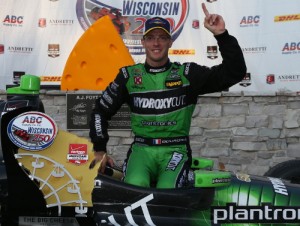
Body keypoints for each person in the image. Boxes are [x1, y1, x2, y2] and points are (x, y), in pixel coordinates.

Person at [89, 3, 247, 188]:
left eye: (162, 38)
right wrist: (100, 150)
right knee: (135, 186)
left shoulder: (187, 74)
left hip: (176, 150)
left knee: (168, 190)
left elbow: (234, 72)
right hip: (142, 150)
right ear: (143, 42)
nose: (156, 43)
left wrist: (221, 35)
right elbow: (100, 111)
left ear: (170, 42)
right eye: (151, 38)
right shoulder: (128, 76)